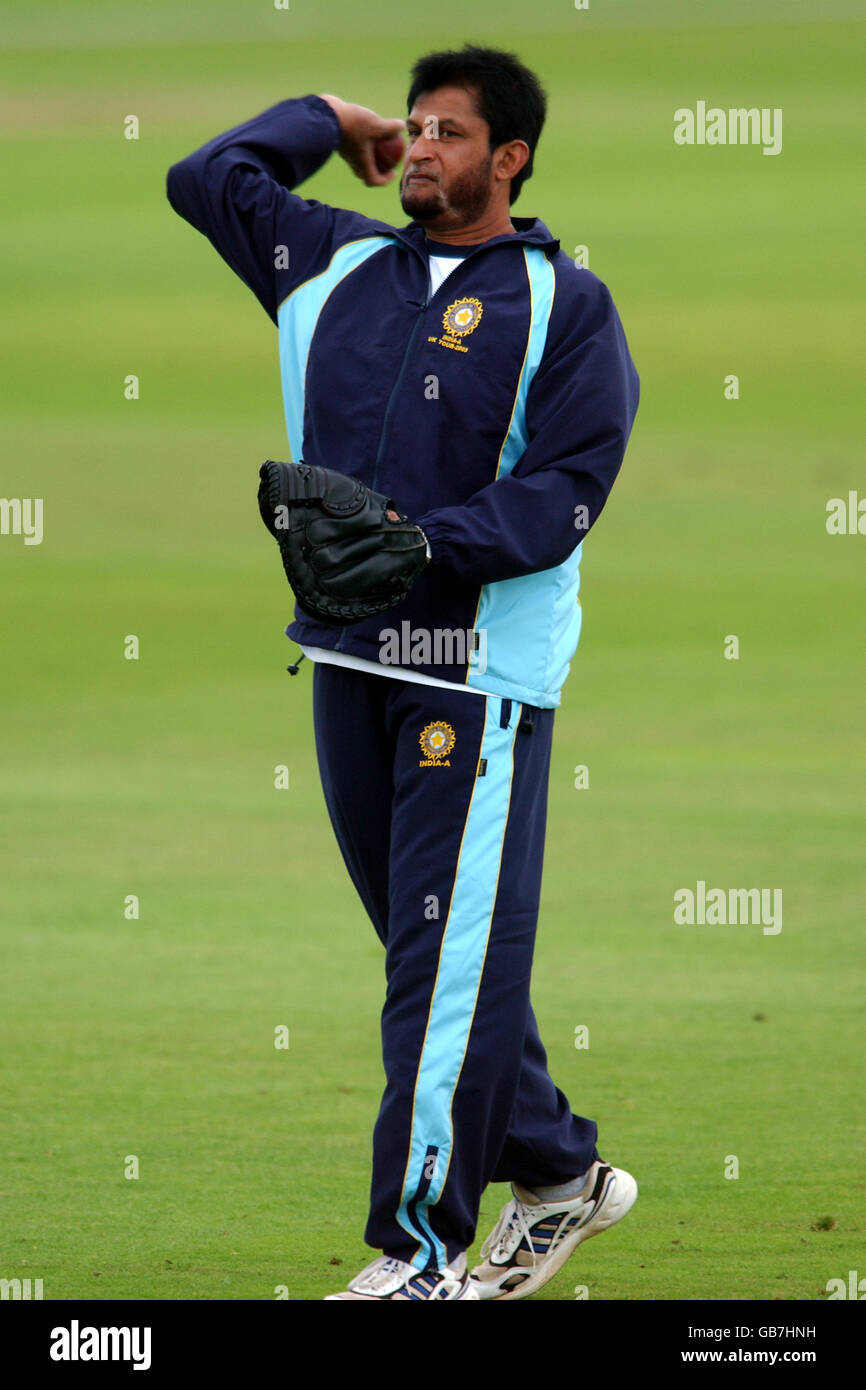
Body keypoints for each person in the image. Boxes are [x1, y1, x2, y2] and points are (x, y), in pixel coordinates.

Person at [167, 43, 640, 1302]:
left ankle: (419, 1252)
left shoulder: (560, 304)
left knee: (440, 967)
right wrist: (328, 117)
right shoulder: (332, 262)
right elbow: (204, 175)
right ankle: (557, 1171)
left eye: (449, 131)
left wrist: (430, 543)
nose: (422, 147)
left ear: (510, 157)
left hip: (472, 668)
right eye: (415, 125)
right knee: (431, 958)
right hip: (343, 653)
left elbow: (568, 489)